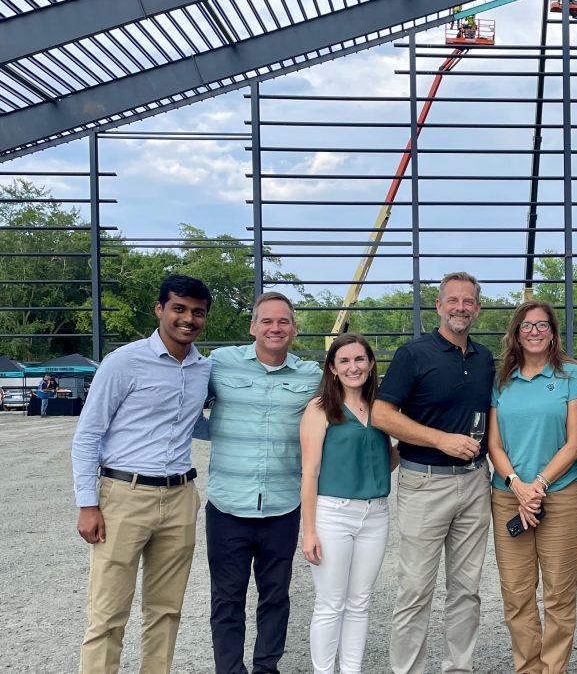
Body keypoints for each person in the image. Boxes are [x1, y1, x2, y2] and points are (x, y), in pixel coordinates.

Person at [71, 274, 212, 674]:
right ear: (160, 309)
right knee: (108, 612)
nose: (188, 319)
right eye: (179, 309)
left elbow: (200, 423)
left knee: (166, 611)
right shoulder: (124, 362)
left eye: (197, 312)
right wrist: (87, 503)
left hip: (181, 495)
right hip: (123, 494)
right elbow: (88, 435)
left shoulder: (203, 369)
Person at [371, 271, 495, 674]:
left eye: (468, 301)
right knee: (415, 590)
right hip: (424, 482)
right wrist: (441, 440)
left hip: (475, 482)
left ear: (477, 307)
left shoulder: (484, 358)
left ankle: (459, 666)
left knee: (466, 590)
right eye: (452, 300)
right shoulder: (413, 354)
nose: (461, 307)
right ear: (439, 306)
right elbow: (381, 413)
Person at [204, 291, 322, 674]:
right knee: (227, 599)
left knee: (275, 597)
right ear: (252, 326)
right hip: (227, 506)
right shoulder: (220, 364)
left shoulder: (311, 377)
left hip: (282, 506)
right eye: (267, 321)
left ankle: (266, 668)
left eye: (284, 321)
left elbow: (345, 413)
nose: (275, 327)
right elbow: (180, 400)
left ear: (294, 329)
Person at [487, 300, 577, 674]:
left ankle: (554, 668)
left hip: (563, 495)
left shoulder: (571, 376)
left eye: (542, 325)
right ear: (515, 334)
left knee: (559, 595)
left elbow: (574, 442)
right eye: (526, 326)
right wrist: (518, 486)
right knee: (516, 593)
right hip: (508, 497)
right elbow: (494, 445)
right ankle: (528, 668)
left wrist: (539, 485)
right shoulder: (501, 380)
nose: (534, 332)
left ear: (553, 332)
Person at [300, 333, 395, 674]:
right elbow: (309, 473)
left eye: (359, 359)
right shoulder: (320, 408)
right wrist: (309, 530)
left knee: (360, 602)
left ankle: (351, 670)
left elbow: (385, 459)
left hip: (375, 514)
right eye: (344, 361)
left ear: (371, 364)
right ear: (333, 368)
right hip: (333, 514)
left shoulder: (381, 408)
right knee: (330, 603)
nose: (353, 366)